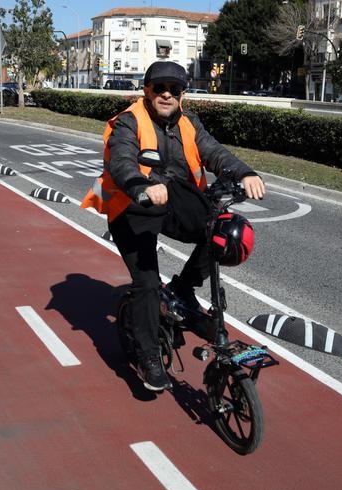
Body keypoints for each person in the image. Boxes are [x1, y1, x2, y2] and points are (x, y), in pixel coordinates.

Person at [81, 61, 265, 392]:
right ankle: (148, 355)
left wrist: (245, 173)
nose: (167, 94)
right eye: (159, 88)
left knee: (226, 233)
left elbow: (215, 153)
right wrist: (140, 185)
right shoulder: (128, 123)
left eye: (175, 90)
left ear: (183, 95)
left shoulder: (189, 123)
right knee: (147, 284)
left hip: (174, 201)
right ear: (146, 91)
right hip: (132, 209)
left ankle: (183, 289)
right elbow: (121, 161)